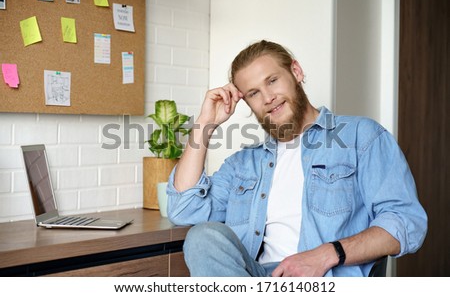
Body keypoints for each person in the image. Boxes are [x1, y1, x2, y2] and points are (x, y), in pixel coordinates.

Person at [166, 40, 427, 277]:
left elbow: (405, 222)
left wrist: (326, 254)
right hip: (256, 277)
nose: (268, 98)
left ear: (296, 72)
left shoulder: (362, 137)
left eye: (272, 81)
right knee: (202, 237)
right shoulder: (243, 164)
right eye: (254, 93)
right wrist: (205, 124)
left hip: (325, 277)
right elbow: (183, 209)